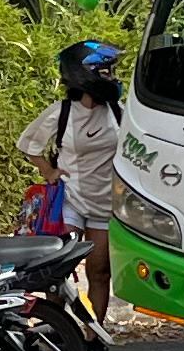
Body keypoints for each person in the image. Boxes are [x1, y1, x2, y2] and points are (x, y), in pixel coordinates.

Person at [19, 39, 127, 331]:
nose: (111, 78)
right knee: (58, 270)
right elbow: (28, 144)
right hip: (70, 200)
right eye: (104, 72)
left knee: (99, 271)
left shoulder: (118, 112)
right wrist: (48, 171)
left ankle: (94, 334)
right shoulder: (62, 112)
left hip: (106, 204)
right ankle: (57, 330)